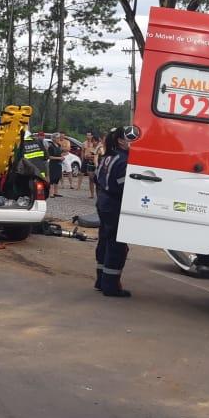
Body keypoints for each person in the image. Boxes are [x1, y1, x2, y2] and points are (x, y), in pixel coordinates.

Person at [94, 125, 139, 298]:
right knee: (117, 245)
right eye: (130, 138)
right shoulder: (123, 160)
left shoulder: (108, 157)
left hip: (104, 201)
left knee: (105, 240)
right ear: (120, 140)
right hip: (114, 204)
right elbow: (125, 187)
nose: (132, 142)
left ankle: (101, 281)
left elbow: (97, 178)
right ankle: (111, 286)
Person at [83, 131, 102, 198]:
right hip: (90, 165)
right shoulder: (90, 148)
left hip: (98, 165)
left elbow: (101, 156)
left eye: (95, 141)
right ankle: (92, 194)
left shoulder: (100, 148)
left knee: (97, 181)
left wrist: (92, 156)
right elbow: (86, 156)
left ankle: (98, 195)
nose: (94, 142)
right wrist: (93, 156)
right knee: (91, 179)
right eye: (92, 141)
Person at [47, 133, 64, 197]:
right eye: (57, 138)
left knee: (57, 177)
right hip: (53, 164)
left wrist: (62, 157)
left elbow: (61, 153)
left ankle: (56, 192)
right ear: (53, 138)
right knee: (52, 178)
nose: (58, 139)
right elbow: (50, 157)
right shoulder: (51, 146)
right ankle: (51, 193)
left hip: (59, 164)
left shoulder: (59, 145)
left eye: (59, 138)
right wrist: (59, 158)